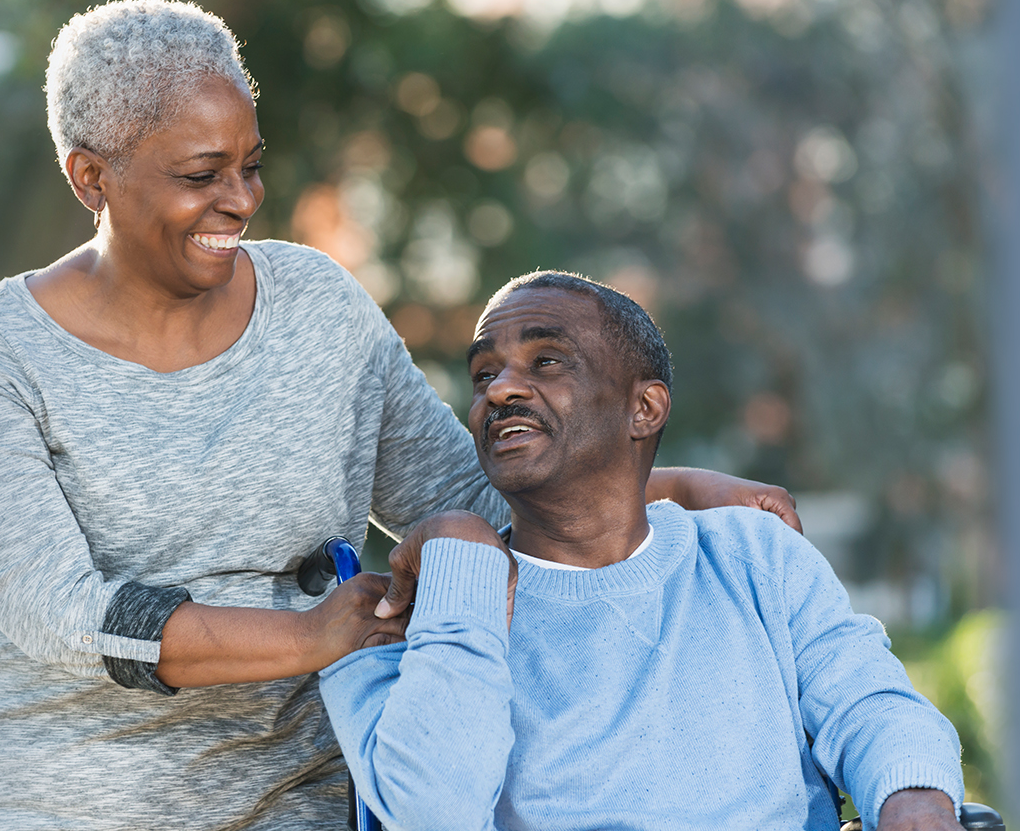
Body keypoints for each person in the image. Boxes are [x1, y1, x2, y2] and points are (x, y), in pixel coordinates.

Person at [0, 0, 802, 830]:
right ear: (91, 178)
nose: (241, 201)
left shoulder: (318, 307)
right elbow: (61, 611)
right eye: (201, 174)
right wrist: (306, 634)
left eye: (251, 166)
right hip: (30, 797)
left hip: (292, 797)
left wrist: (675, 486)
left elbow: (467, 501)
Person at [320, 271, 966, 831]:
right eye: (484, 373)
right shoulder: (432, 614)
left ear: (645, 408)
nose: (499, 390)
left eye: (546, 361)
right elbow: (436, 814)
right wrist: (462, 545)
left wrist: (915, 802)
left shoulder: (753, 557)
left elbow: (870, 703)